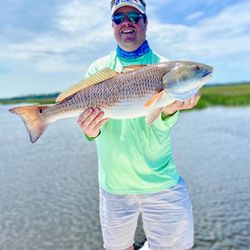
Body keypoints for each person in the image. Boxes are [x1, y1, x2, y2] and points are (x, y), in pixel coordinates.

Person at [78, 0, 200, 249]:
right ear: (112, 25)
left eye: (134, 16)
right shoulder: (98, 69)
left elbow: (158, 125)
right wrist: (90, 132)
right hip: (115, 185)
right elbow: (95, 128)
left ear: (146, 22)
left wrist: (169, 112)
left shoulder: (167, 67)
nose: (127, 23)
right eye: (118, 18)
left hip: (160, 181)